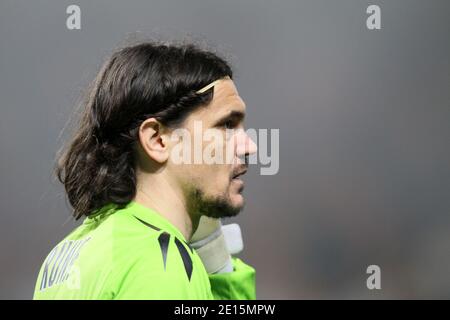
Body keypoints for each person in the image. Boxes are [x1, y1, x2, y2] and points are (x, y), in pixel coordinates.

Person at [33, 41, 258, 299]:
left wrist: (216, 263)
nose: (249, 146)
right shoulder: (162, 262)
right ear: (158, 140)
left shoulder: (66, 256)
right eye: (227, 125)